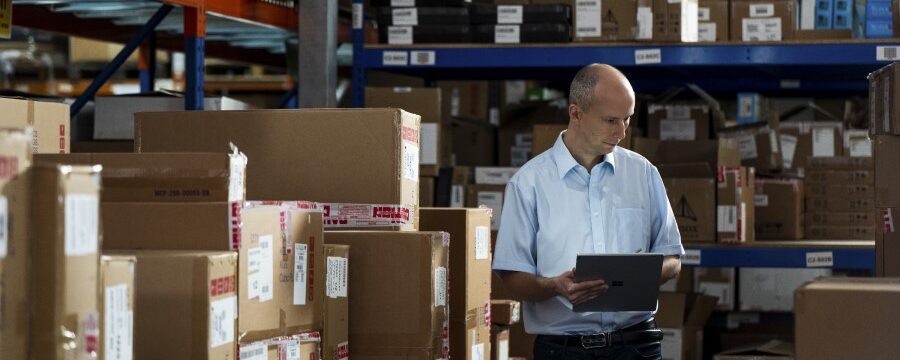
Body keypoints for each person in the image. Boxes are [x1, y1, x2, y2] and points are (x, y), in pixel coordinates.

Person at [492, 63, 684, 360]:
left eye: (627, 119)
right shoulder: (528, 184)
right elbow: (512, 276)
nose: (621, 132)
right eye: (610, 120)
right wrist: (554, 286)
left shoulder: (643, 173)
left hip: (637, 345)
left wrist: (640, 275)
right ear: (576, 113)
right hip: (564, 350)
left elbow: (673, 259)